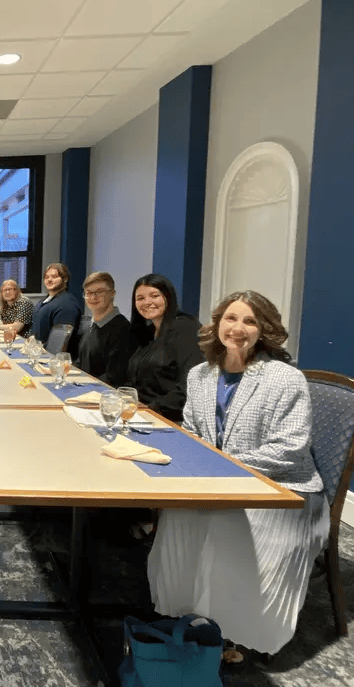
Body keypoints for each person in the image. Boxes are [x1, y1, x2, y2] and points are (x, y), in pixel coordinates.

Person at [148, 290, 329, 658]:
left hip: (283, 492)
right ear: (217, 325)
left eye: (250, 321)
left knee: (227, 524)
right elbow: (193, 429)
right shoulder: (201, 375)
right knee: (178, 513)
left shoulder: (284, 379)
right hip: (221, 482)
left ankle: (235, 629)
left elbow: (290, 447)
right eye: (231, 318)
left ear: (265, 331)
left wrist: (225, 467)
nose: (238, 328)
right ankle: (186, 611)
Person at [125, 273, 203, 423]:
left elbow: (190, 385)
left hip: (171, 420)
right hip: (142, 414)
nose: (147, 302)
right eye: (140, 298)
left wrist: (149, 409)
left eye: (154, 296)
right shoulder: (148, 332)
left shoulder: (186, 328)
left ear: (168, 297)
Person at [74, 271, 133, 387]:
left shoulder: (123, 330)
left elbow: (114, 377)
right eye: (88, 293)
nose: (93, 297)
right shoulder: (93, 326)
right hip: (84, 389)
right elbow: (80, 363)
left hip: (103, 396)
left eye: (100, 292)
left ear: (112, 294)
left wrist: (81, 387)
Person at [33, 262, 83, 353]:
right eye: (46, 277)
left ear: (65, 279)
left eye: (54, 277)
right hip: (37, 351)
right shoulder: (45, 301)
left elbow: (59, 343)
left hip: (51, 357)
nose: (49, 280)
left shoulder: (67, 304)